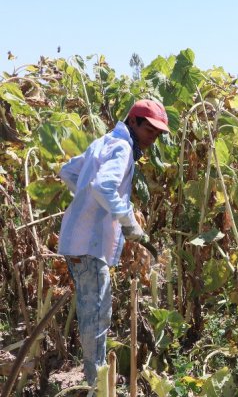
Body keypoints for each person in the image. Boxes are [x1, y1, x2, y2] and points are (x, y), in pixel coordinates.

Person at [58, 99, 169, 385]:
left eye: (157, 134)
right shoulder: (121, 148)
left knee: (91, 312)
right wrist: (128, 223)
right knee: (97, 316)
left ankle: (95, 380)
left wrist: (85, 200)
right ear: (133, 121)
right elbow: (104, 187)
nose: (152, 139)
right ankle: (97, 385)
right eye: (149, 130)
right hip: (90, 245)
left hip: (79, 242)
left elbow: (68, 171)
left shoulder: (103, 142)